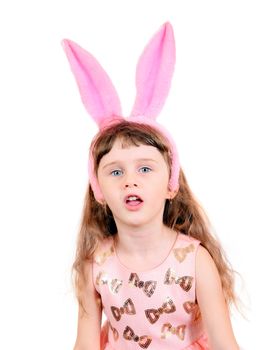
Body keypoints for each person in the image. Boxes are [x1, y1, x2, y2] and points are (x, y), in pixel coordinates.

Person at [62, 22, 240, 349]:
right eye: (115, 172)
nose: (130, 179)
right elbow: (85, 343)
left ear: (171, 184)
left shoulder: (195, 260)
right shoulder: (96, 264)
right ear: (98, 190)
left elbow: (224, 343)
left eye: (145, 168)